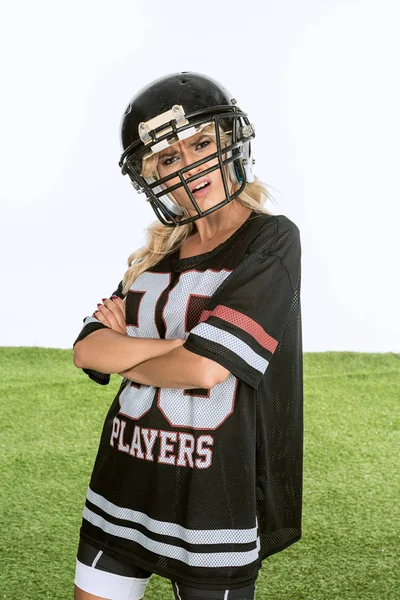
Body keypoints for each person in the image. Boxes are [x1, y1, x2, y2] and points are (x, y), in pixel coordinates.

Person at [72, 72, 303, 600]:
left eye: (200, 144)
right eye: (170, 158)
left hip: (211, 499)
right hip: (123, 474)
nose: (190, 166)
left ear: (228, 144)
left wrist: (130, 347)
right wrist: (186, 345)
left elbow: (204, 369)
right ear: (152, 175)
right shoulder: (155, 255)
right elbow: (88, 349)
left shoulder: (271, 239)